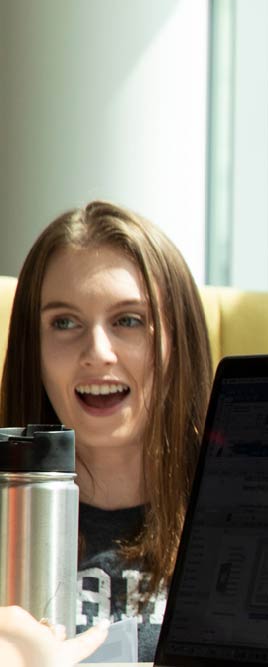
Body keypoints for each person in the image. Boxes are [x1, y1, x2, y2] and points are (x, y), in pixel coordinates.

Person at [1, 202, 213, 663]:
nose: (97, 352)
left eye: (128, 320)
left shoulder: (252, 511)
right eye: (64, 322)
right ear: (30, 349)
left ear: (180, 342)